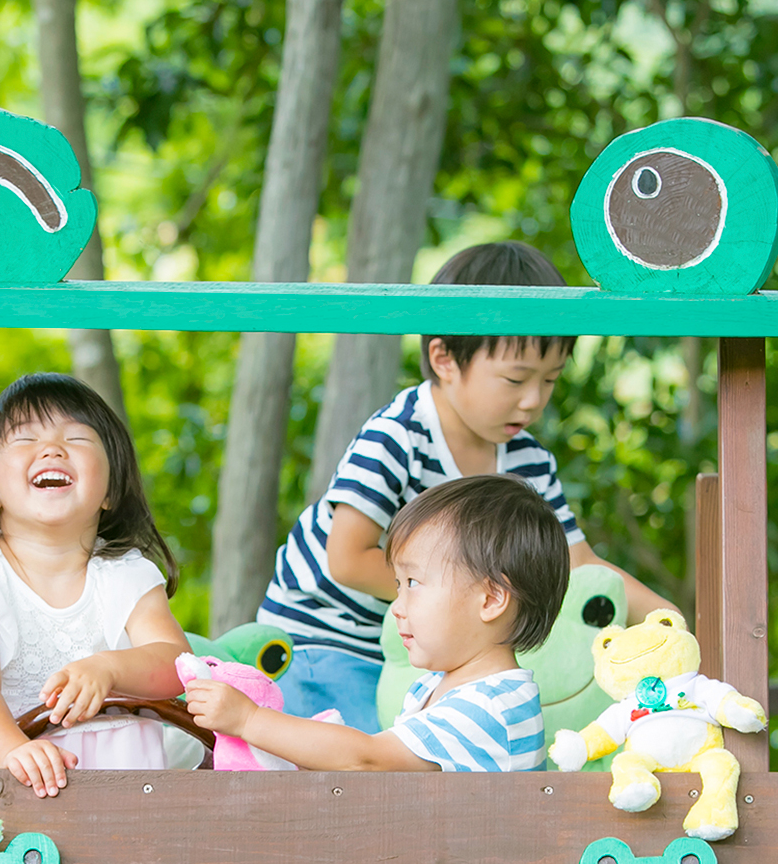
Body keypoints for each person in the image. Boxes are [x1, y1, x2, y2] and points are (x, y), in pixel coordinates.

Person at [258, 241, 671, 733]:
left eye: (551, 380)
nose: (534, 401)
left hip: (425, 650)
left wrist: (665, 619)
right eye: (515, 380)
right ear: (444, 358)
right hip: (326, 643)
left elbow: (578, 564)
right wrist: (455, 605)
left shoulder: (528, 461)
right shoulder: (398, 435)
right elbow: (346, 559)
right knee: (374, 765)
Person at [0, 372, 194, 795]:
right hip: (0, 775)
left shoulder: (125, 572)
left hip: (120, 781)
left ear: (111, 490)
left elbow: (175, 663)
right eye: (24, 438)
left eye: (77, 439)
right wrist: (13, 750)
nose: (52, 448)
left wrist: (109, 667)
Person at [192, 475, 568, 771]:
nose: (396, 608)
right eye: (398, 586)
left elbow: (368, 759)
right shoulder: (438, 688)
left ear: (490, 600)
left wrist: (249, 720)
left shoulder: (493, 707)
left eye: (414, 584)